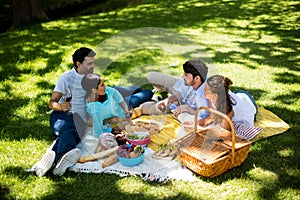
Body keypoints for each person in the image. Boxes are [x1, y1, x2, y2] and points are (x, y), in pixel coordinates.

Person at [32, 47, 97, 177]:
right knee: (69, 126)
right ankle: (62, 156)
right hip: (61, 116)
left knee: (72, 128)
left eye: (93, 62)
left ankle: (51, 160)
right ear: (78, 64)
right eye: (89, 63)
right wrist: (61, 106)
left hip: (79, 119)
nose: (93, 66)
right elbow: (51, 103)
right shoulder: (66, 78)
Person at [143, 59, 210, 123]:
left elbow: (202, 117)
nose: (182, 76)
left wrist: (186, 108)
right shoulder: (198, 78)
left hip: (181, 106)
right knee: (151, 76)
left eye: (186, 75)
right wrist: (169, 99)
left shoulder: (205, 96)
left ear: (197, 78)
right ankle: (162, 93)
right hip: (180, 85)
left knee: (144, 108)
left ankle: (157, 98)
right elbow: (183, 92)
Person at [198, 75, 260, 139]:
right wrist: (195, 123)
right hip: (238, 96)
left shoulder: (227, 109)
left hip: (248, 102)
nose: (203, 90)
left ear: (215, 95)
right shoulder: (213, 97)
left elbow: (225, 132)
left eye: (205, 89)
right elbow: (211, 117)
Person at [81, 73, 131, 138]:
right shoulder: (95, 109)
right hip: (117, 109)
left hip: (120, 103)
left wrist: (127, 112)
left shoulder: (106, 90)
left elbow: (118, 96)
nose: (105, 86)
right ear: (94, 90)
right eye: (102, 85)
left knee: (140, 92)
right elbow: (98, 133)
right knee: (145, 94)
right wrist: (115, 129)